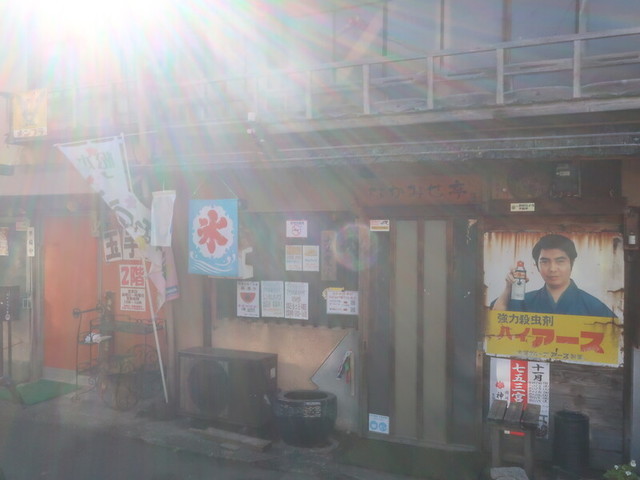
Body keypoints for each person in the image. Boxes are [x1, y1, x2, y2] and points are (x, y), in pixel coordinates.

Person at [491, 234, 615, 317]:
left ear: (571, 263)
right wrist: (509, 287)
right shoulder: (525, 301)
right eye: (545, 262)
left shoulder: (593, 306)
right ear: (537, 265)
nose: (552, 269)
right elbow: (497, 322)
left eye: (560, 261)